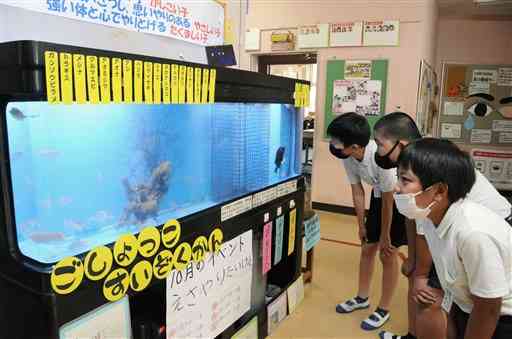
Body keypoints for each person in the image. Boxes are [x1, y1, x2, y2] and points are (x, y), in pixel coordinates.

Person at [373, 112, 512, 339]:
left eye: (404, 180)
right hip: (470, 301)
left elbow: (488, 307)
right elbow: (455, 286)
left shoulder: (471, 233)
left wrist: (420, 275)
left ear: (438, 191)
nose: (396, 188)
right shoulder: (431, 217)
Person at [327, 113, 406, 330]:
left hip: (399, 201)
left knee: (387, 253)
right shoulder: (349, 158)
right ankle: (362, 298)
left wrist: (386, 233)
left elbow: (390, 201)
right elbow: (358, 192)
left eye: (336, 141)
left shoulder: (379, 158)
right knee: (367, 249)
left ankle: (384, 308)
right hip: (379, 196)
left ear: (354, 145)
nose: (333, 145)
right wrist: (361, 225)